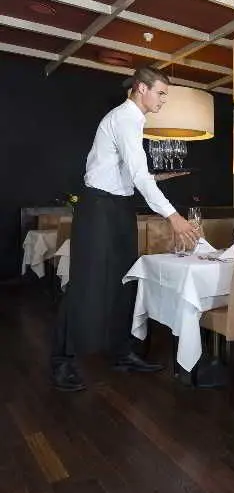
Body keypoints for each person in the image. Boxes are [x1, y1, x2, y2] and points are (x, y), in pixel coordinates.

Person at [51, 66, 200, 392]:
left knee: (124, 281)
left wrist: (155, 178)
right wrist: (173, 216)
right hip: (98, 207)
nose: (163, 100)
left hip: (120, 206)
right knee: (85, 284)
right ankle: (62, 361)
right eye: (161, 92)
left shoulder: (135, 122)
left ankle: (122, 352)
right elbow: (137, 175)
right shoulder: (124, 118)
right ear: (141, 88)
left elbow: (130, 173)